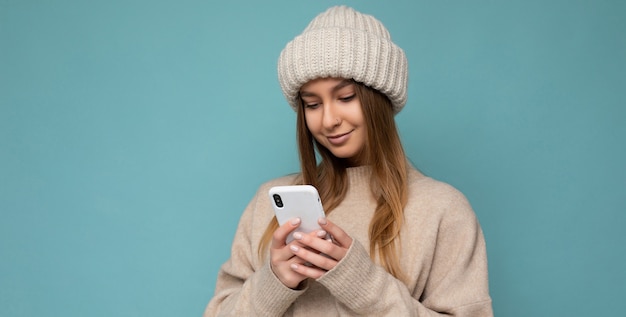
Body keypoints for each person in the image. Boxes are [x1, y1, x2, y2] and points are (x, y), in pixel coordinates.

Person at [204, 5, 493, 316]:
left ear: (378, 98)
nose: (329, 120)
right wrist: (274, 283)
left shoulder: (443, 210)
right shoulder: (267, 203)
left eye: (345, 98)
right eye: (312, 104)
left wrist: (362, 282)